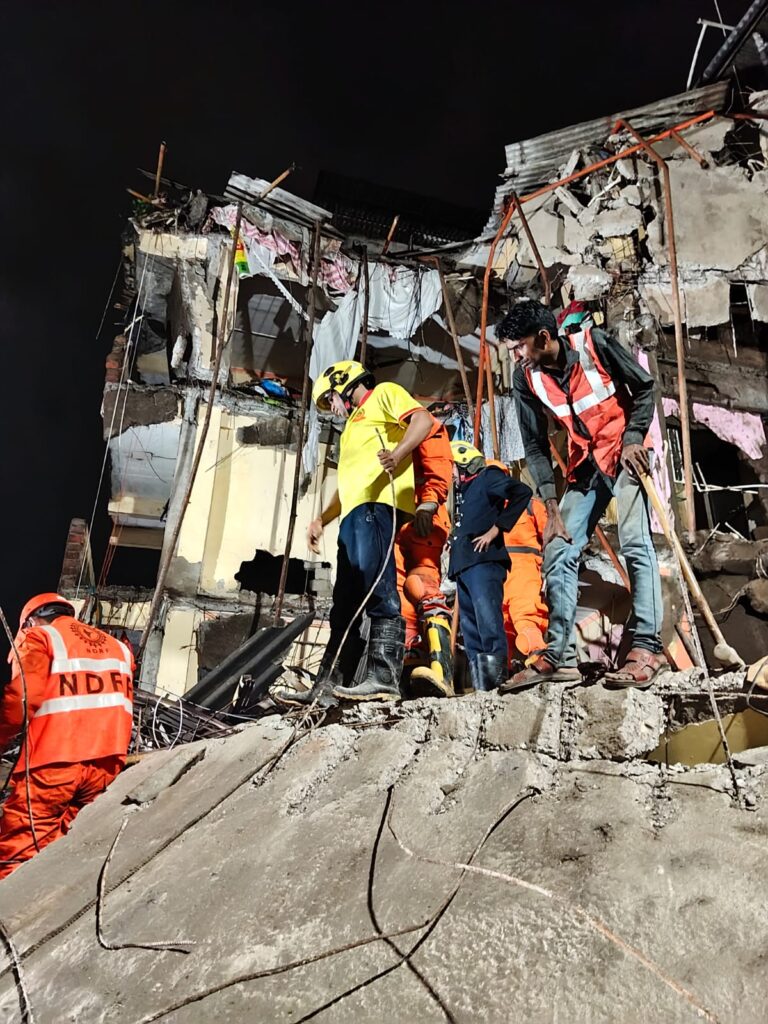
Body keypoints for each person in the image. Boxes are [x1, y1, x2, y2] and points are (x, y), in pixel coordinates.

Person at [496, 299, 665, 690]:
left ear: (543, 337)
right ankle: (560, 656)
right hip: (586, 465)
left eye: (519, 347)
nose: (516, 356)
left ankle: (647, 648)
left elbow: (644, 387)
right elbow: (535, 444)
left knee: (635, 542)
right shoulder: (526, 377)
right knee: (559, 548)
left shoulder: (595, 344)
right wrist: (551, 506)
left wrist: (634, 438)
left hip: (626, 453)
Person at [272, 361, 441, 706]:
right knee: (344, 605)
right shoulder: (351, 428)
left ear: (344, 385)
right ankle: (327, 686)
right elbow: (349, 483)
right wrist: (322, 519)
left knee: (379, 591)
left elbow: (423, 420)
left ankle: (384, 678)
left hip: (377, 508)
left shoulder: (384, 394)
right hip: (354, 514)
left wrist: (397, 454)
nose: (332, 408)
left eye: (331, 399)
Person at [0, 594, 134, 879]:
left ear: (31, 622)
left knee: (20, 853)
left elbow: (21, 700)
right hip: (107, 766)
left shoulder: (40, 637)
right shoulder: (119, 649)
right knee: (65, 850)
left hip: (53, 765)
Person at [448, 442, 532, 691]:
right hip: (464, 565)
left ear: (464, 463)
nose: (449, 474)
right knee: (471, 630)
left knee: (488, 623)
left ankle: (495, 684)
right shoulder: (464, 492)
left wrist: (496, 530)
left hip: (483, 563)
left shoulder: (488, 478)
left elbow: (522, 492)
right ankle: (482, 688)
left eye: (451, 467)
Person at [501, 491, 549, 666]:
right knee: (509, 625)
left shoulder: (530, 505)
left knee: (522, 621)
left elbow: (552, 538)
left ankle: (538, 660)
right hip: (505, 573)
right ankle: (535, 658)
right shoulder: (530, 505)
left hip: (519, 572)